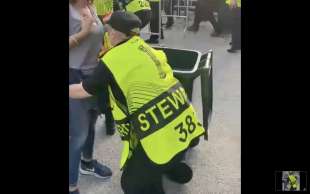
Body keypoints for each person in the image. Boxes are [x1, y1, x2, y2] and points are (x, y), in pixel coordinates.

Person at [69, 11, 206, 194]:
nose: (107, 35)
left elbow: (83, 90)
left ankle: (159, 172)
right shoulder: (147, 48)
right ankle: (173, 167)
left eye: (108, 31)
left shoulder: (114, 60)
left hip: (157, 133)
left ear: (115, 34)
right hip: (184, 128)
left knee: (131, 184)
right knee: (164, 150)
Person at [69, 0, 112, 194]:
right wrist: (83, 33)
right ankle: (71, 185)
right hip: (74, 74)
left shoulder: (90, 5)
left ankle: (86, 163)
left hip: (93, 74)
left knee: (92, 120)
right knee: (79, 134)